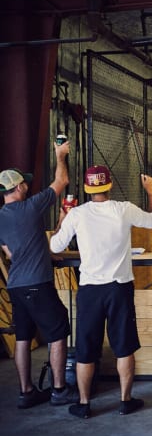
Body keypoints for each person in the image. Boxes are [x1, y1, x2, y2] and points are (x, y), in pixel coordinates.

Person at [50, 165, 152, 418]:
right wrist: (150, 191)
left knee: (86, 349)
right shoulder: (123, 209)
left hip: (90, 290)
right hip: (119, 289)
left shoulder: (77, 214)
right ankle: (125, 400)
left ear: (87, 188)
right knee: (124, 347)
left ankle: (85, 403)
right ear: (109, 185)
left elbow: (55, 244)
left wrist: (62, 218)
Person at [0, 140, 79, 409]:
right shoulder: (32, 206)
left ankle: (26, 392)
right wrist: (60, 155)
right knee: (58, 331)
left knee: (22, 337)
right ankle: (59, 389)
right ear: (19, 186)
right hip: (37, 284)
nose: (27, 187)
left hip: (16, 286)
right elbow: (62, 179)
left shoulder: (1, 216)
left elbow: (11, 253)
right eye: (25, 184)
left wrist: (42, 252)